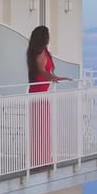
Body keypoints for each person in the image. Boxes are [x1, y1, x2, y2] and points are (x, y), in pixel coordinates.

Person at [26, 26, 70, 170]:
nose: (49, 38)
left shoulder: (42, 51)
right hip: (38, 94)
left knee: (43, 128)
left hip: (41, 93)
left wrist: (54, 77)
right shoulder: (38, 53)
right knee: (39, 128)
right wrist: (55, 78)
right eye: (47, 35)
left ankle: (43, 159)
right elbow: (42, 72)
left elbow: (44, 71)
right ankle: (39, 161)